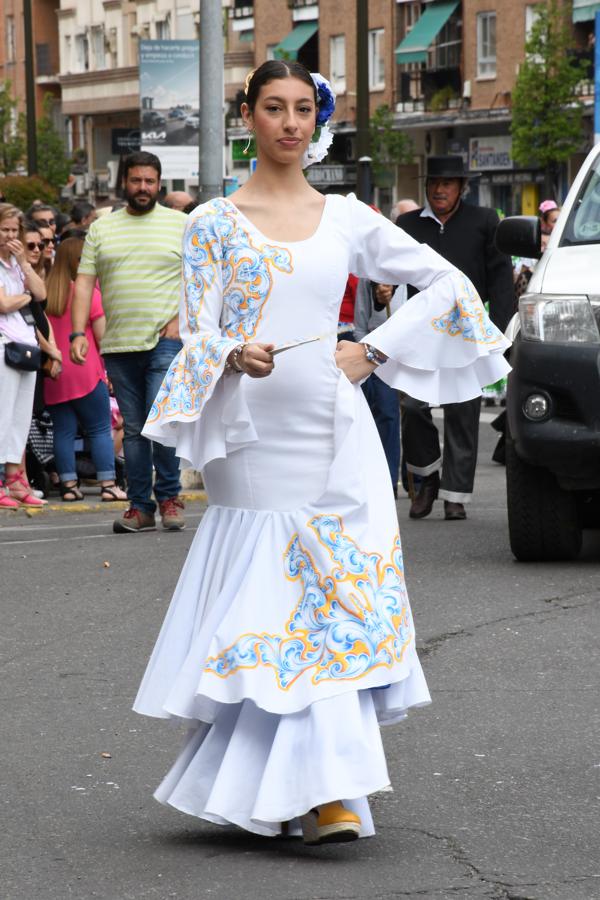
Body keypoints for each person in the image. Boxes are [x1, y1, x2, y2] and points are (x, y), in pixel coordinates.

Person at [132, 61, 510, 846]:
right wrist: (234, 354)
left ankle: (327, 790)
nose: (290, 123)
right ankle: (288, 787)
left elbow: (448, 287)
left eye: (303, 109)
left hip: (333, 428)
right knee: (273, 598)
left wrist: (369, 350)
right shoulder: (212, 222)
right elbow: (197, 331)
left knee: (333, 593)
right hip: (252, 435)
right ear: (248, 115)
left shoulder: (347, 216)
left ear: (317, 119)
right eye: (274, 108)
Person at [70, 151, 187, 532]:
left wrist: (180, 319)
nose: (143, 188)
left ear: (159, 183)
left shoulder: (180, 224)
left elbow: (201, 278)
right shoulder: (103, 229)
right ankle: (141, 507)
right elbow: (84, 282)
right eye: (136, 181)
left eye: (149, 181)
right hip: (118, 344)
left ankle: (169, 497)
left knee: (161, 418)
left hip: (165, 340)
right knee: (134, 429)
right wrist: (76, 332)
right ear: (125, 183)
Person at [396, 156, 514, 521]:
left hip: (467, 332)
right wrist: (379, 288)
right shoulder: (407, 224)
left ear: (461, 187)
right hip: (421, 333)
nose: (439, 189)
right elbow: (386, 267)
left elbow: (500, 279)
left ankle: (455, 495)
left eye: (448, 183)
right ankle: (427, 477)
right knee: (412, 407)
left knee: (464, 411)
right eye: (434, 182)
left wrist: (498, 332)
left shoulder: (483, 222)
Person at [44, 237, 126, 502]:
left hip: (54, 371)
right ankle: (108, 484)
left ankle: (68, 485)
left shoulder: (46, 293)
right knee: (100, 428)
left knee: (63, 431)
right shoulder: (88, 295)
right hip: (86, 369)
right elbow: (102, 337)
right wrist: (111, 371)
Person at [0, 204, 48, 508]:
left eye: (14, 230)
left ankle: (16, 479)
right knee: (3, 414)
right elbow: (3, 305)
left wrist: (24, 264)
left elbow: (41, 293)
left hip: (26, 344)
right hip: (4, 343)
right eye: (4, 230)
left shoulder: (17, 265)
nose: (10, 236)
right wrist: (25, 298)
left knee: (20, 416)